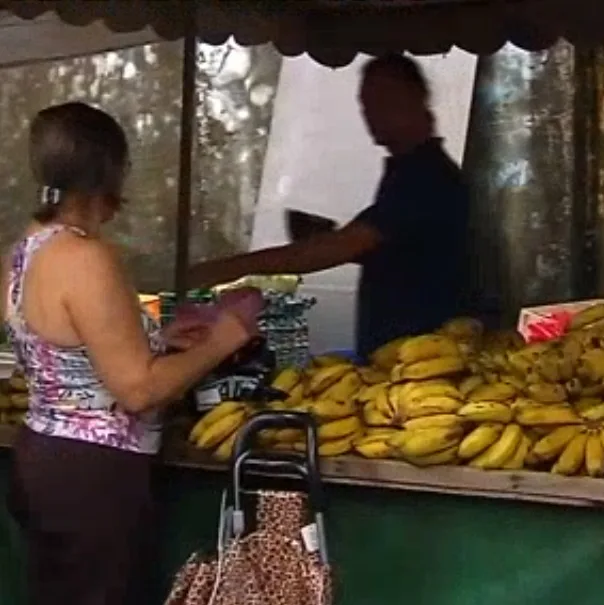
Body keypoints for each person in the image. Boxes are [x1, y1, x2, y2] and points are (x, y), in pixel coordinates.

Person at [3, 102, 255, 605]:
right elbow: (138, 390)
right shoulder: (86, 257)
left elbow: (69, 349)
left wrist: (158, 341)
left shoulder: (26, 250)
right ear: (110, 175)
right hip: (93, 477)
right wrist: (227, 335)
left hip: (44, 458)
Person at [187, 53, 471, 360]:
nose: (372, 114)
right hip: (391, 353)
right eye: (366, 104)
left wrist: (225, 268)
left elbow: (342, 247)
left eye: (384, 100)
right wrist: (331, 238)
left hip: (422, 358)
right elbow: (404, 250)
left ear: (417, 100)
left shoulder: (425, 176)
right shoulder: (406, 172)